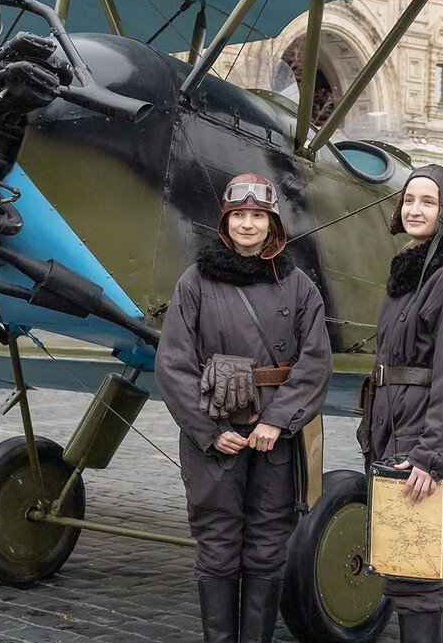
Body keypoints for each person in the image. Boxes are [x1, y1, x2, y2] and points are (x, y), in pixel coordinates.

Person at [155, 173, 331, 643]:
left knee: (267, 548)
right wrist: (208, 429)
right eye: (239, 216)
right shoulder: (195, 282)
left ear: (272, 223)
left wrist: (277, 419)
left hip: (274, 435)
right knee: (216, 546)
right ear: (225, 222)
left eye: (257, 216)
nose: (248, 224)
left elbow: (315, 362)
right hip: (215, 434)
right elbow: (173, 363)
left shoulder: (299, 287)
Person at [358, 164, 443, 643]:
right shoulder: (411, 274)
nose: (415, 209)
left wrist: (431, 458)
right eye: (409, 199)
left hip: (423, 447)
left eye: (428, 201)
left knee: (419, 580)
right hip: (397, 434)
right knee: (407, 576)